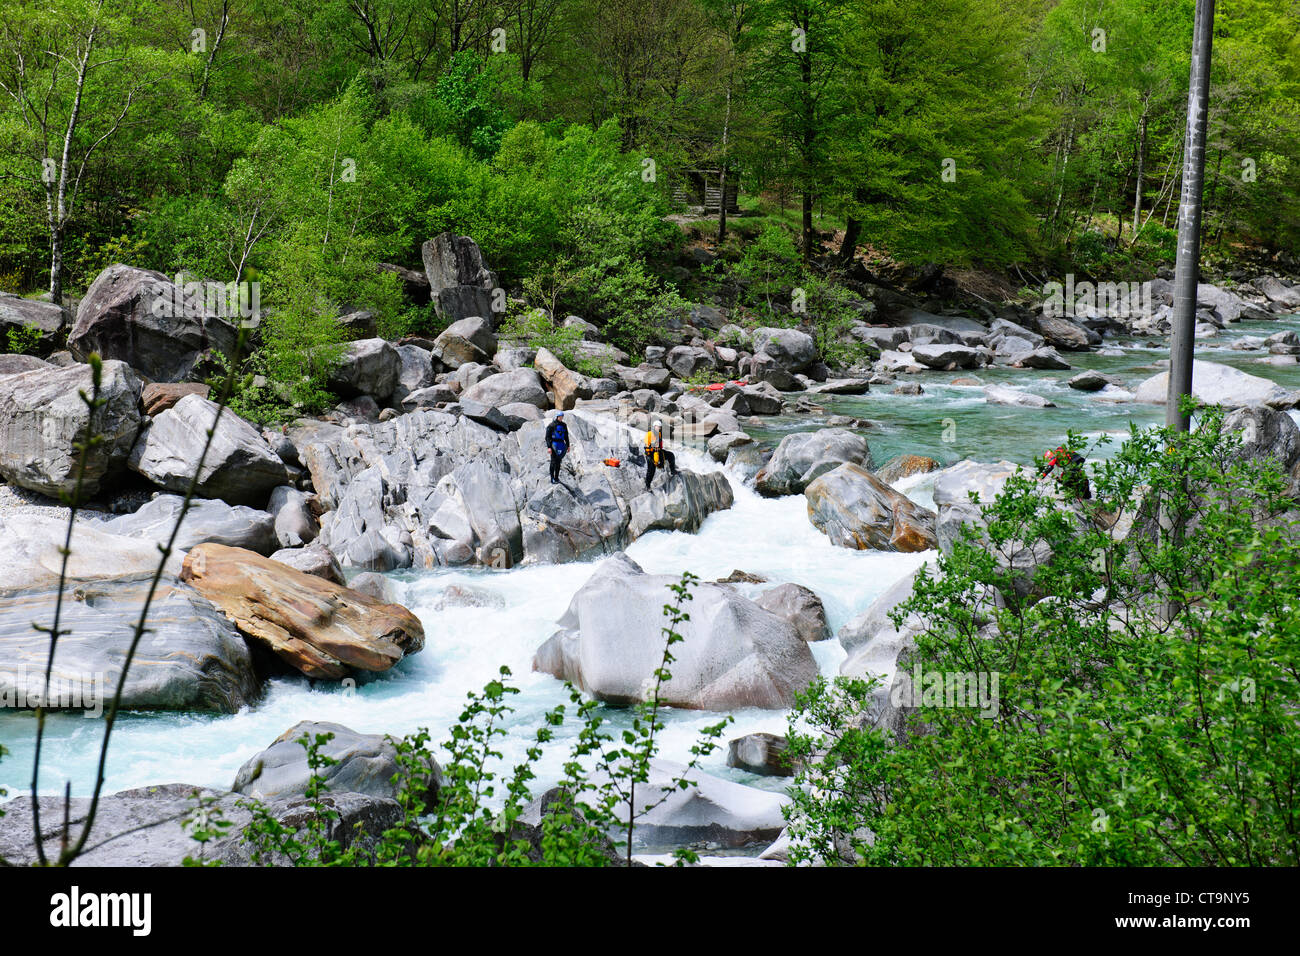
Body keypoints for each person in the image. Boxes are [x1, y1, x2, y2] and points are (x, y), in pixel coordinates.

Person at [644, 419, 678, 490]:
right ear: (654, 426)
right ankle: (647, 485)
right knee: (651, 470)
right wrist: (653, 447)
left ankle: (672, 471)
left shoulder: (658, 434)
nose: (659, 428)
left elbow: (659, 444)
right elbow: (647, 446)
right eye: (658, 427)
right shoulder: (649, 434)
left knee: (671, 455)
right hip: (651, 454)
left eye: (660, 427)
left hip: (658, 451)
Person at [545, 411, 570, 484]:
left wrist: (568, 445)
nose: (561, 418)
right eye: (560, 416)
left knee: (558, 462)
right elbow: (547, 437)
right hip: (554, 444)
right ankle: (552, 478)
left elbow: (566, 436)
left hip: (561, 444)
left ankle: (556, 478)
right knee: (553, 461)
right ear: (557, 417)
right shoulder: (551, 425)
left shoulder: (564, 425)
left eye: (562, 416)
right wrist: (549, 447)